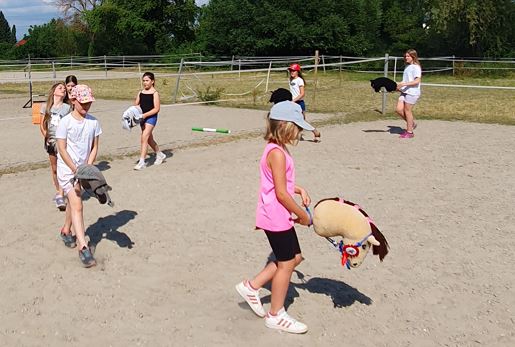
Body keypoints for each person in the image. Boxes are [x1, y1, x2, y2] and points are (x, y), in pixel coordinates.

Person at [235, 100, 313, 334]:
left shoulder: (276, 148)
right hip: (275, 215)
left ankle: (252, 286)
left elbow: (281, 184)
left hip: (278, 213)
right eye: (297, 127)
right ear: (285, 126)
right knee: (287, 263)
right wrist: (302, 216)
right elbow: (280, 192)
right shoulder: (276, 153)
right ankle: (276, 314)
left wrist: (299, 190)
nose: (299, 133)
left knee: (295, 257)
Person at [56, 84, 102, 268]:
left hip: (82, 170)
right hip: (67, 170)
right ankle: (83, 247)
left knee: (74, 202)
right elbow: (61, 148)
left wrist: (87, 167)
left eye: (89, 102)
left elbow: (95, 147)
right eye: (82, 102)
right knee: (77, 204)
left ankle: (66, 231)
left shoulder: (94, 122)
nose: (86, 106)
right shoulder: (65, 122)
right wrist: (75, 169)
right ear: (73, 101)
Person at [39, 82, 71, 211]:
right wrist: (46, 136)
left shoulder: (67, 108)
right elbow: (42, 124)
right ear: (54, 92)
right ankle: (58, 190)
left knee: (63, 167)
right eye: (60, 88)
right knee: (54, 169)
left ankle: (61, 195)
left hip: (62, 142)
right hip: (50, 141)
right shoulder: (46, 106)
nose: (63, 89)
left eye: (64, 88)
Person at [133, 72, 166, 170]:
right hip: (142, 118)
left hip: (151, 117)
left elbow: (156, 109)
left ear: (152, 81)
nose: (145, 83)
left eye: (147, 80)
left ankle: (142, 161)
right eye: (143, 80)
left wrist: (145, 115)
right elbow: (136, 105)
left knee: (144, 137)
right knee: (149, 139)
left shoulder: (155, 93)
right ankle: (159, 154)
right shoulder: (141, 92)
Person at [288, 63, 321, 142]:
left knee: (302, 121)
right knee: (292, 120)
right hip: (292, 103)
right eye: (291, 70)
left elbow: (302, 94)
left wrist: (294, 100)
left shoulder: (299, 80)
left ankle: (316, 133)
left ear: (297, 72)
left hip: (299, 103)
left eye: (294, 71)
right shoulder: (290, 79)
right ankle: (298, 135)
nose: (292, 72)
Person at [395, 49, 422, 138]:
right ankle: (412, 123)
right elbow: (405, 80)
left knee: (407, 111)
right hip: (405, 91)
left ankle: (410, 132)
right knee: (399, 110)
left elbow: (417, 81)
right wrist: (398, 85)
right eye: (405, 56)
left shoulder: (416, 67)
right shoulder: (407, 67)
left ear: (413, 57)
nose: (406, 58)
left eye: (408, 56)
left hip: (412, 92)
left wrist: (404, 84)